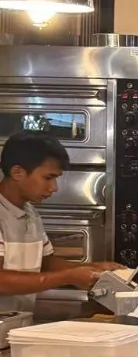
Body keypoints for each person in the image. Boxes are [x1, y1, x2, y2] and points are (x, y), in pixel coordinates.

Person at [0, 131, 115, 308]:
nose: (54, 188)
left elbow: (46, 263)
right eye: (48, 177)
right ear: (17, 172)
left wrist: (96, 269)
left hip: (17, 321)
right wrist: (67, 277)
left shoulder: (30, 213)